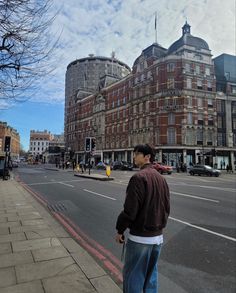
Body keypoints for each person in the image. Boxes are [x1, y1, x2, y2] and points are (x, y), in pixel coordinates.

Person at [115, 144, 170, 293]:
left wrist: (120, 230)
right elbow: (166, 208)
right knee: (151, 278)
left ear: (147, 157)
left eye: (136, 154)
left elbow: (129, 211)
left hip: (140, 238)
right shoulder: (161, 179)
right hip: (158, 238)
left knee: (133, 276)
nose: (133, 157)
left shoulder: (138, 178)